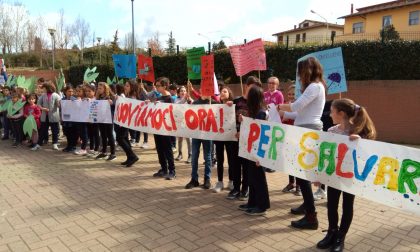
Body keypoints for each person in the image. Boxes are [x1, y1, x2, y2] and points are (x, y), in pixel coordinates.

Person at [316, 98, 376, 252]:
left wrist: (360, 142)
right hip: (334, 175)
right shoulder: (331, 131)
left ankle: (340, 237)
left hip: (350, 178)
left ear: (341, 113)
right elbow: (325, 155)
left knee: (347, 205)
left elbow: (369, 155)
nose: (329, 115)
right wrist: (319, 176)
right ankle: (331, 232)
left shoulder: (359, 132)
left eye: (332, 112)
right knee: (331, 205)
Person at [277, 57, 326, 230]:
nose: (298, 77)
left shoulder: (314, 86)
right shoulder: (316, 87)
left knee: (303, 174)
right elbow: (300, 114)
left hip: (307, 132)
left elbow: (296, 106)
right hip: (305, 129)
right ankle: (307, 204)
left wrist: (280, 107)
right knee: (300, 173)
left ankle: (311, 217)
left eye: (300, 72)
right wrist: (283, 113)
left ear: (307, 71)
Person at [226, 76, 262, 201]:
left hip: (248, 141)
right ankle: (236, 188)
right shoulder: (237, 101)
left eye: (257, 87)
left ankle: (245, 189)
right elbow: (227, 114)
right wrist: (228, 105)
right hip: (235, 138)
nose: (254, 89)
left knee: (247, 166)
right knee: (235, 164)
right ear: (247, 86)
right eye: (252, 86)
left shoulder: (257, 104)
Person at [237, 85, 270, 216]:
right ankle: (252, 202)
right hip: (250, 149)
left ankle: (262, 205)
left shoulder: (261, 112)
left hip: (258, 151)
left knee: (259, 178)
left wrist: (260, 157)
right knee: (252, 177)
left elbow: (260, 133)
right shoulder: (255, 111)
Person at [185, 91, 218, 190]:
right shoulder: (195, 103)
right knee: (194, 156)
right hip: (196, 133)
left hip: (207, 134)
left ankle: (207, 179)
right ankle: (194, 179)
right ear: (200, 91)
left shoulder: (213, 103)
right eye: (203, 89)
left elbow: (222, 112)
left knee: (207, 157)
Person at [151, 77, 176, 180]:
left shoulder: (169, 98)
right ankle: (163, 169)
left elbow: (171, 112)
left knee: (167, 150)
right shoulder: (159, 98)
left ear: (164, 86)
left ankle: (172, 171)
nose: (156, 87)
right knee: (159, 149)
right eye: (156, 86)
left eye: (158, 86)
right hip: (157, 128)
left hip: (165, 129)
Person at [213, 85, 235, 193]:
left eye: (225, 91)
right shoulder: (215, 106)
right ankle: (220, 181)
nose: (222, 93)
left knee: (231, 160)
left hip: (230, 137)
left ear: (229, 94)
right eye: (221, 92)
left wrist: (231, 105)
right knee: (220, 160)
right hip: (219, 137)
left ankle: (231, 181)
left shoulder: (233, 105)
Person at [281, 84, 301, 196]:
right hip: (287, 136)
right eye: (289, 94)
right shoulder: (285, 104)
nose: (291, 96)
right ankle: (291, 183)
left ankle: (299, 186)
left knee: (297, 162)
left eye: (293, 94)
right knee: (289, 161)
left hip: (297, 136)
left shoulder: (300, 106)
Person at [115, 80, 139, 167]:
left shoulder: (132, 97)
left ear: (132, 87)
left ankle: (133, 156)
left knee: (120, 138)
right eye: (125, 85)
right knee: (124, 138)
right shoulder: (127, 96)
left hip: (126, 121)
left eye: (128, 86)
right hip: (123, 120)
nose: (125, 87)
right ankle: (129, 157)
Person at [263, 76, 284, 173]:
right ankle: (266, 163)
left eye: (273, 83)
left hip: (275, 122)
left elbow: (281, 107)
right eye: (269, 83)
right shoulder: (264, 94)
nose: (271, 85)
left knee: (274, 144)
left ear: (277, 85)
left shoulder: (279, 95)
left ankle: (273, 164)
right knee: (266, 143)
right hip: (266, 121)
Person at [95, 82, 117, 161]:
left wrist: (112, 103)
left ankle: (113, 153)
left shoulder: (110, 97)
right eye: (98, 88)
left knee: (109, 135)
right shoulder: (99, 97)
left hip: (108, 119)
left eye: (100, 88)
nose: (99, 89)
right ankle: (104, 152)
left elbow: (115, 106)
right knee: (103, 135)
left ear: (105, 89)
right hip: (101, 118)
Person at [37, 81, 61, 150]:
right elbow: (38, 104)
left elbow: (59, 105)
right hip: (44, 116)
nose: (43, 89)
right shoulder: (43, 95)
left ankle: (55, 144)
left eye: (44, 88)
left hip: (54, 116)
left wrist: (59, 104)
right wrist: (43, 108)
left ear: (48, 88)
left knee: (55, 131)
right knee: (42, 131)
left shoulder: (56, 95)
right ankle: (39, 143)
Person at [174, 85, 193, 163]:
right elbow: (177, 106)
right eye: (181, 91)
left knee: (189, 139)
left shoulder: (190, 100)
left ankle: (190, 155)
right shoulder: (176, 100)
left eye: (185, 91)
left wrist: (190, 101)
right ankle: (180, 154)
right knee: (180, 139)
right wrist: (185, 99)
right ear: (178, 93)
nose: (183, 92)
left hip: (188, 122)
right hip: (179, 122)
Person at [84, 84, 101, 157]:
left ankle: (96, 149)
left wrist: (90, 101)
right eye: (86, 91)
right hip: (88, 120)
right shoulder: (85, 100)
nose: (87, 93)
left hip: (95, 121)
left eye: (89, 91)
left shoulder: (96, 99)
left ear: (94, 92)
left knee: (96, 134)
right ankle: (91, 149)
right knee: (90, 134)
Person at [61, 86, 78, 153]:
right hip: (66, 119)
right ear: (65, 92)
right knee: (67, 133)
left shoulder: (74, 99)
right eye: (69, 91)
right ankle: (68, 146)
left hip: (73, 120)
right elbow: (62, 109)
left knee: (73, 133)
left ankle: (73, 146)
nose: (71, 93)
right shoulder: (63, 99)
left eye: (72, 91)